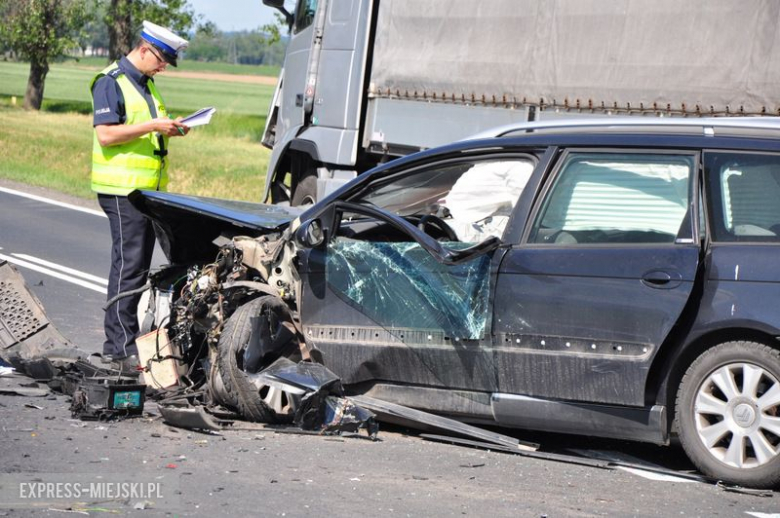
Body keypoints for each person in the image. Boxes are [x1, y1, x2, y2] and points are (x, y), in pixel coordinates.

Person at [90, 21, 190, 373]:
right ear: (144, 49)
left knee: (136, 268)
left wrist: (169, 129)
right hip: (121, 189)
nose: (164, 67)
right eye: (162, 60)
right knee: (129, 269)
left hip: (144, 191)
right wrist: (152, 126)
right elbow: (106, 135)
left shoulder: (146, 84)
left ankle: (123, 343)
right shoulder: (111, 81)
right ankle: (118, 347)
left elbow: (143, 133)